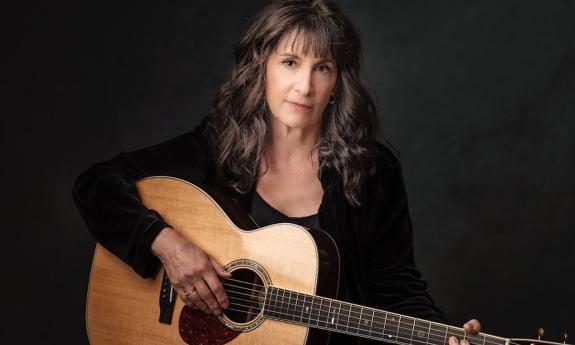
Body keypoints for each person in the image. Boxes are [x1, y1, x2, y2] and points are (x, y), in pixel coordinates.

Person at [73, 0, 481, 344]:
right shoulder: (217, 146)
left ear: (338, 82)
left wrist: (444, 334)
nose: (304, 85)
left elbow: (396, 284)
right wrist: (167, 245)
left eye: (322, 67)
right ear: (262, 67)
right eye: (289, 62)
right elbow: (95, 184)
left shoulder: (373, 170)